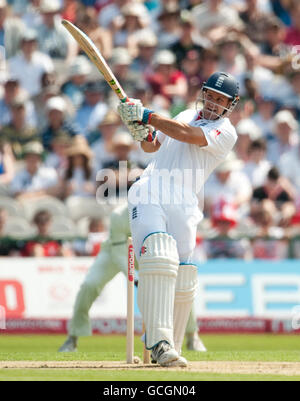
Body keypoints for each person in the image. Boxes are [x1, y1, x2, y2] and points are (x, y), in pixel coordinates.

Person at [117, 71, 240, 367]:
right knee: (159, 255)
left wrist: (147, 115)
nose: (212, 102)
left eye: (220, 99)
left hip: (185, 201)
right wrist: (141, 130)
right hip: (151, 190)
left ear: (230, 104)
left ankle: (168, 344)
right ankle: (159, 343)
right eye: (210, 95)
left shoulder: (226, 131)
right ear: (203, 94)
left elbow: (187, 135)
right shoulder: (185, 113)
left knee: (184, 272)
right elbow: (151, 146)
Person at [58, 203, 206, 353]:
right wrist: (134, 278)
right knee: (89, 285)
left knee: (179, 284)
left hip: (150, 251)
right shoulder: (119, 215)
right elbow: (119, 254)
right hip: (115, 252)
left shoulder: (163, 210)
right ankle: (72, 338)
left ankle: (192, 335)